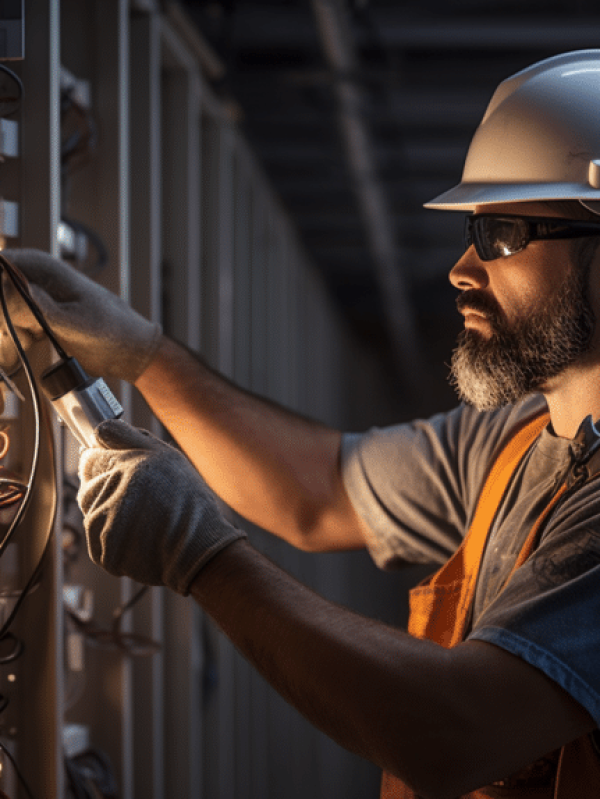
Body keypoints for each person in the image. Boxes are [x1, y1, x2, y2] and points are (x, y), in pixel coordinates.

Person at [3, 50, 600, 799]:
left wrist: (204, 556)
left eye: (503, 233)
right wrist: (143, 353)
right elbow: (317, 489)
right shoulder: (512, 441)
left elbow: (454, 730)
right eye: (470, 230)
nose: (461, 269)